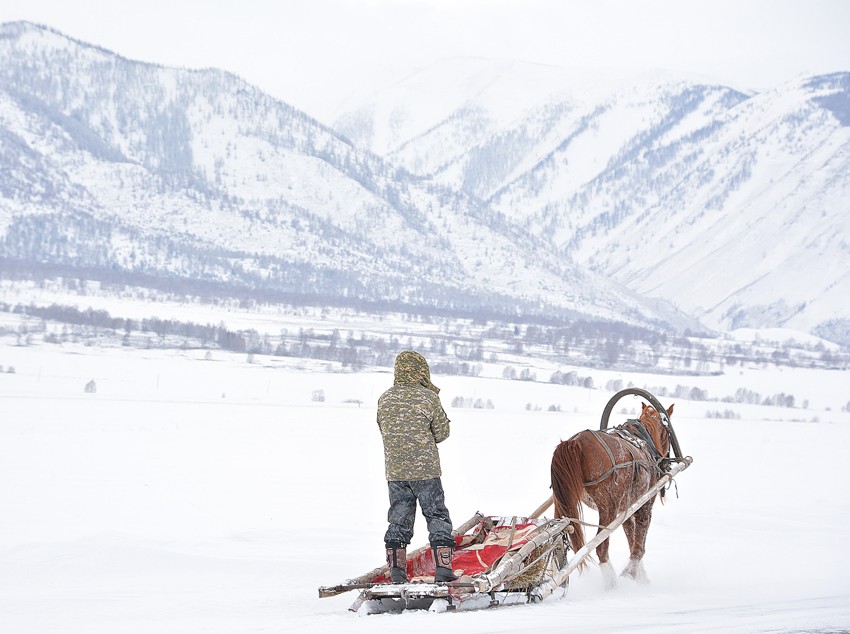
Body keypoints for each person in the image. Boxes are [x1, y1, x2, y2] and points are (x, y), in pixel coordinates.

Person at [377, 350, 458, 584]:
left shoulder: (384, 398)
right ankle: (443, 569)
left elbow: (384, 430)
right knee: (436, 515)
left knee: (399, 519)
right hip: (426, 472)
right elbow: (443, 433)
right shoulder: (428, 398)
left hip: (395, 472)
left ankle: (397, 572)